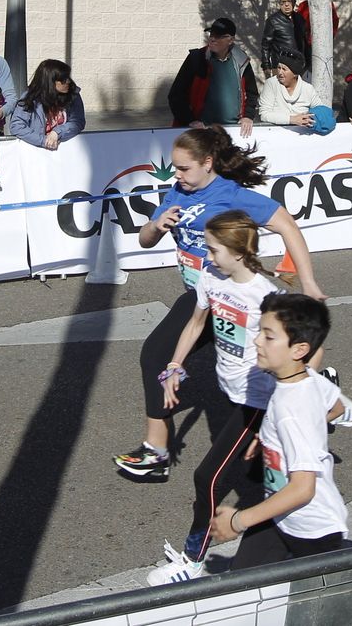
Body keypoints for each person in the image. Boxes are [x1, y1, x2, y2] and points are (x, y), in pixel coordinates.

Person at [147, 211, 352, 586]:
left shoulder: (265, 295)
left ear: (238, 251)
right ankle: (329, 401)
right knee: (258, 472)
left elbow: (310, 348)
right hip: (232, 389)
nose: (208, 258)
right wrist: (175, 365)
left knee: (208, 478)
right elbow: (197, 323)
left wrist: (305, 384)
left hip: (259, 397)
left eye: (213, 251)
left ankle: (192, 560)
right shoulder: (210, 277)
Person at [113, 127, 324, 481]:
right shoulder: (178, 192)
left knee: (165, 358)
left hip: (230, 298)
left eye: (184, 169)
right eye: (175, 169)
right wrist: (156, 225)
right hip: (202, 298)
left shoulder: (230, 195)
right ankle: (160, 451)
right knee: (228, 377)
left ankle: (159, 451)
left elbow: (287, 225)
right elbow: (145, 240)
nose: (177, 176)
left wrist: (308, 282)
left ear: (208, 163)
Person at [204, 294, 347, 570]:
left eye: (268, 337)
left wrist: (238, 521)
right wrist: (272, 438)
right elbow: (337, 406)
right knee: (242, 584)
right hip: (280, 513)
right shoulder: (303, 381)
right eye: (259, 332)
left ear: (298, 350)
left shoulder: (291, 410)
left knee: (319, 604)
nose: (256, 341)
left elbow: (303, 490)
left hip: (311, 528)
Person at [167, 18, 259, 138]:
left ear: (231, 40)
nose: (213, 38)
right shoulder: (197, 59)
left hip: (234, 131)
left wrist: (248, 116)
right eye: (212, 34)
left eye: (219, 36)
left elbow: (252, 93)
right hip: (202, 131)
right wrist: (189, 120)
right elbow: (175, 95)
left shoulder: (242, 61)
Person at [8, 58, 87, 150]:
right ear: (51, 82)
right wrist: (43, 141)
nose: (68, 82)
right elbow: (16, 126)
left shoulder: (73, 95)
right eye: (63, 79)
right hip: (35, 151)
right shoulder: (30, 98)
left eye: (68, 77)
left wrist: (57, 132)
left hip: (65, 150)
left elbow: (78, 122)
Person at [257, 51, 322, 128]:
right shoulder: (271, 84)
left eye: (284, 69)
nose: (280, 72)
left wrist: (309, 119)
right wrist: (291, 119)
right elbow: (264, 114)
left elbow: (320, 111)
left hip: (303, 134)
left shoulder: (308, 89)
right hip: (276, 133)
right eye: (279, 68)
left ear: (295, 73)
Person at [261, 0, 310, 77]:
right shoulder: (273, 21)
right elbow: (265, 45)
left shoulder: (300, 19)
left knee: (298, 90)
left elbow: (304, 41)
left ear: (294, 3)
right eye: (283, 2)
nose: (286, 5)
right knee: (281, 90)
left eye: (289, 1)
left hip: (299, 67)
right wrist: (266, 66)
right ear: (279, 4)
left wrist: (308, 63)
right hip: (280, 67)